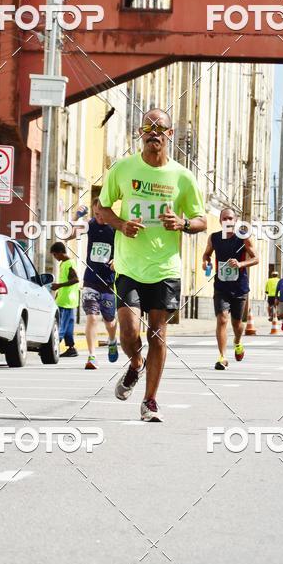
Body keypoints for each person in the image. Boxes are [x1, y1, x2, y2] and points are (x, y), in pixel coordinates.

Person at [99, 109, 206, 422]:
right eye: (148, 127)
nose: (154, 132)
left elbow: (202, 220)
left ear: (170, 135)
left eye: (161, 128)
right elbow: (102, 207)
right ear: (139, 132)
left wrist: (183, 222)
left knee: (157, 334)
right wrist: (121, 224)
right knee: (129, 333)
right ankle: (135, 365)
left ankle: (150, 401)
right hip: (130, 266)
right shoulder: (122, 169)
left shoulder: (182, 177)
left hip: (165, 268)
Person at [202, 207, 259, 370]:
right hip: (221, 285)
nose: (227, 221)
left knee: (236, 323)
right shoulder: (214, 238)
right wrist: (206, 261)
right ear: (220, 221)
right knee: (222, 319)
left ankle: (237, 342)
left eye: (230, 218)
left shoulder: (243, 237)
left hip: (240, 287)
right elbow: (207, 254)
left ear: (235, 221)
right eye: (224, 218)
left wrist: (241, 264)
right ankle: (222, 357)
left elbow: (256, 258)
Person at [79, 198, 119, 369]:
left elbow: (126, 249)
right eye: (96, 214)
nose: (99, 217)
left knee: (109, 321)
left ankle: (112, 340)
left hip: (108, 283)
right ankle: (92, 356)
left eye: (102, 214)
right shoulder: (90, 225)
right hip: (90, 280)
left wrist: (118, 259)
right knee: (92, 317)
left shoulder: (115, 229)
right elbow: (68, 233)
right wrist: (76, 216)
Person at [50, 242, 80, 357]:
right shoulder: (64, 263)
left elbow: (76, 279)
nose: (55, 257)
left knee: (60, 325)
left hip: (66, 301)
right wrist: (58, 293)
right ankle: (71, 348)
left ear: (61, 253)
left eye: (55, 255)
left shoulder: (69, 263)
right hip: (67, 299)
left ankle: (53, 346)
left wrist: (59, 285)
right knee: (68, 326)